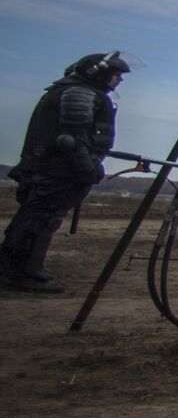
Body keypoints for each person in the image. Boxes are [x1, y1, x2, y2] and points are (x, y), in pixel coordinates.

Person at [2, 52, 132, 294]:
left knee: (34, 216)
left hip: (49, 168)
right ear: (96, 72)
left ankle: (17, 267)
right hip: (58, 171)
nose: (119, 80)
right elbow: (69, 140)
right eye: (116, 75)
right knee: (42, 218)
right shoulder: (79, 94)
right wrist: (87, 168)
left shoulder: (71, 91)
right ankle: (23, 272)